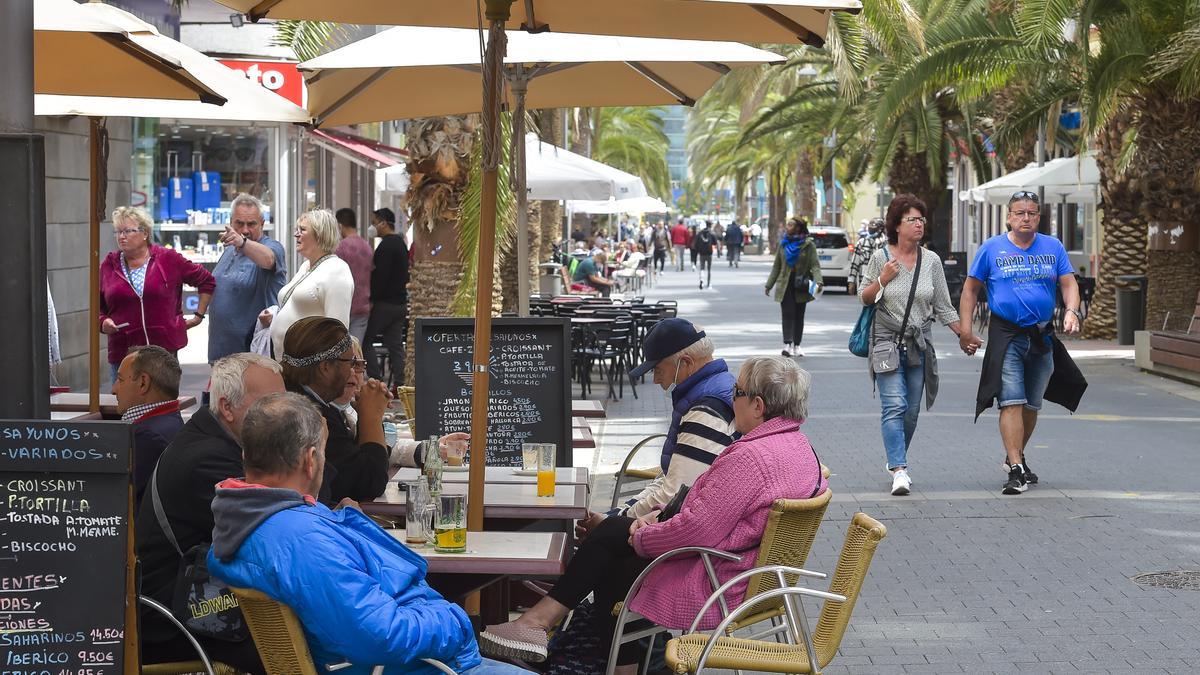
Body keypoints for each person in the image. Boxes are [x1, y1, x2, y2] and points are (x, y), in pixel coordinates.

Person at [479, 357, 825, 668]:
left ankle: (540, 624)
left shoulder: (751, 459)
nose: (731, 396)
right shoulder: (799, 448)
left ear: (758, 405)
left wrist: (641, 534)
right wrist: (654, 520)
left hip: (719, 576)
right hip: (755, 575)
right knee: (613, 538)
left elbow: (697, 531)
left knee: (612, 547)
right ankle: (543, 626)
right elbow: (709, 513)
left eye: (738, 390)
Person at [205, 393, 532, 675]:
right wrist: (455, 620)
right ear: (310, 460)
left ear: (247, 456)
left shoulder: (246, 516)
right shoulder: (300, 539)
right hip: (418, 666)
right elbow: (381, 636)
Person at [136, 353, 285, 674]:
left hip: (204, 603)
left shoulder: (220, 442)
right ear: (227, 407)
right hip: (173, 618)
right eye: (269, 405)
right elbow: (280, 534)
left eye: (285, 403)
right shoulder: (209, 459)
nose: (283, 416)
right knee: (293, 645)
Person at [959, 190, 1087, 496]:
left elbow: (1069, 283)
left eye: (1031, 213)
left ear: (1039, 217)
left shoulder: (1052, 247)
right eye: (1019, 213)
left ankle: (1014, 454)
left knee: (1032, 404)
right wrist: (965, 330)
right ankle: (1015, 468)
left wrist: (1071, 311)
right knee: (1011, 400)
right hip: (1007, 336)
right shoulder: (991, 249)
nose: (1025, 218)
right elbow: (970, 290)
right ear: (1008, 217)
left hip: (1042, 336)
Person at [577, 318, 736, 534]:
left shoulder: (706, 409)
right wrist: (616, 515)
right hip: (689, 519)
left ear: (686, 362)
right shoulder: (712, 389)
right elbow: (669, 479)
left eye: (658, 369)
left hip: (690, 533)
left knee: (599, 546)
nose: (654, 380)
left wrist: (611, 522)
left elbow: (676, 492)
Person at [859, 194, 964, 496]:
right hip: (886, 342)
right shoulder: (881, 258)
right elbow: (864, 297)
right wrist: (882, 279)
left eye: (921, 219)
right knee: (894, 405)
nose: (919, 224)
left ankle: (896, 454)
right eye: (912, 220)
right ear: (897, 225)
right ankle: (899, 469)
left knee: (912, 411)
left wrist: (963, 335)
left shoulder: (931, 261)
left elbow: (944, 306)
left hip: (919, 345)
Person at [280, 316, 391, 503]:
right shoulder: (310, 413)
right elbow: (369, 481)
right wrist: (371, 416)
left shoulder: (296, 397)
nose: (352, 372)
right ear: (325, 367)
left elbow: (353, 461)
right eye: (350, 362)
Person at [100, 206, 215, 383]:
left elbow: (206, 280)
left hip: (163, 351)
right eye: (118, 231)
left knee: (163, 405)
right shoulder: (108, 266)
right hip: (123, 352)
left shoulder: (168, 259)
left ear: (145, 233)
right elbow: (97, 308)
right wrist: (103, 322)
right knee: (124, 407)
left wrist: (198, 316)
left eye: (128, 231)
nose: (121, 236)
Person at [262, 208, 354, 358]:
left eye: (302, 230)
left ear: (320, 234)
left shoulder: (337, 270)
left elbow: (337, 330)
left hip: (309, 366)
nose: (296, 234)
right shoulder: (305, 266)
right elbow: (301, 309)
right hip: (286, 361)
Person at [210, 193, 287, 363]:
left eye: (251, 224)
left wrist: (242, 242)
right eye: (239, 223)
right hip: (221, 353)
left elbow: (268, 259)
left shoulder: (271, 246)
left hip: (253, 356)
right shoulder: (229, 250)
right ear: (231, 222)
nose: (245, 230)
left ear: (262, 224)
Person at [112, 345, 183, 507]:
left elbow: (118, 501)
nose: (114, 389)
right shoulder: (171, 422)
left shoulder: (146, 437)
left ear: (143, 383)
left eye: (120, 380)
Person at [363, 207, 410, 385]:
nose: (372, 226)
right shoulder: (400, 243)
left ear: (383, 223)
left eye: (374, 222)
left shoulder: (385, 247)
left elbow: (380, 278)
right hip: (399, 304)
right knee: (395, 344)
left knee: (366, 341)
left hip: (384, 305)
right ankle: (401, 383)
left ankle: (376, 381)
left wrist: (372, 299)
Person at [765, 217, 822, 357]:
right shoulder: (783, 244)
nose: (787, 226)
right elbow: (776, 266)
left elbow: (815, 265)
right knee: (787, 314)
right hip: (785, 285)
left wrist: (818, 281)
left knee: (799, 315)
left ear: (798, 228)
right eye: (787, 224)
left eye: (790, 225)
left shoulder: (808, 245)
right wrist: (769, 285)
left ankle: (797, 345)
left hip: (801, 285)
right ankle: (787, 344)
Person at [335, 207, 374, 344]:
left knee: (341, 350)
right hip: (363, 305)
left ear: (339, 225)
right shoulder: (367, 247)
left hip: (344, 305)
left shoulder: (341, 248)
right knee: (356, 349)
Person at [848, 217, 885, 296]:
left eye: (874, 227)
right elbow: (855, 263)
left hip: (882, 284)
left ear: (880, 229)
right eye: (870, 227)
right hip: (865, 284)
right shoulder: (862, 243)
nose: (871, 229)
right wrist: (851, 281)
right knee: (867, 307)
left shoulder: (886, 244)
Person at [692, 222, 717, 289]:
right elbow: (715, 243)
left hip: (702, 253)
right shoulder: (712, 233)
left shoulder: (700, 233)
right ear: (710, 225)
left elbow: (696, 244)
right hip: (709, 253)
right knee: (709, 269)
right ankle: (709, 284)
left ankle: (701, 281)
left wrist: (698, 251)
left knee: (702, 268)